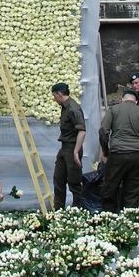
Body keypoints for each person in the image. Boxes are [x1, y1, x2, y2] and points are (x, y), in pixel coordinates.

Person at [99, 87, 139, 211]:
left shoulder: (113, 110)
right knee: (132, 192)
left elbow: (103, 131)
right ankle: (130, 222)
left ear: (122, 100)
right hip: (137, 156)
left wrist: (105, 150)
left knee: (110, 189)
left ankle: (110, 219)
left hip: (117, 154)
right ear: (136, 102)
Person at [51, 81, 86, 209]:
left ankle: (78, 210)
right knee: (58, 179)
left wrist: (76, 152)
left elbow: (82, 131)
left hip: (72, 147)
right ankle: (58, 209)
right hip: (65, 147)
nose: (54, 99)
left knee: (74, 182)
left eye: (54, 96)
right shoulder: (65, 107)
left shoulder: (73, 108)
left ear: (60, 94)